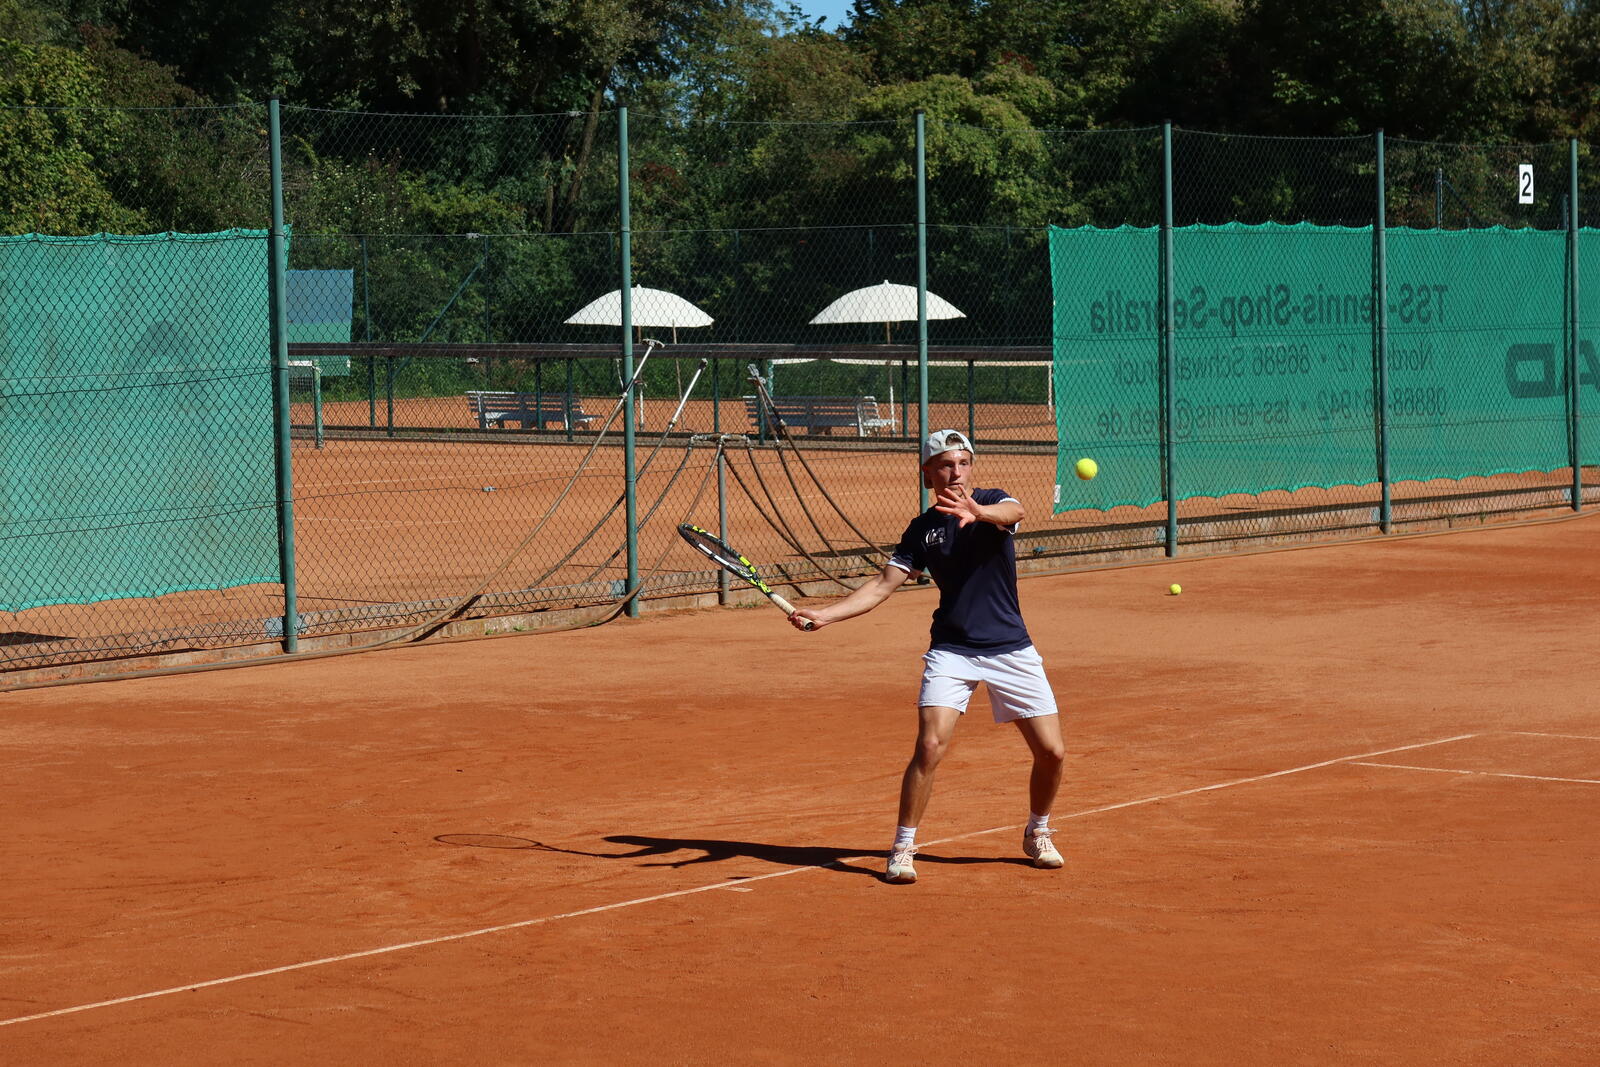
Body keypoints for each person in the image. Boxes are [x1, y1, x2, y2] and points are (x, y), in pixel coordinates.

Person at [790, 429, 1065, 885]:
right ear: (928, 473)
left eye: (963, 463)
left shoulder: (992, 502)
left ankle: (1037, 831)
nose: (956, 472)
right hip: (952, 650)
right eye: (945, 465)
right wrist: (826, 615)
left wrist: (978, 511)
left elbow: (1015, 512)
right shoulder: (922, 530)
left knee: (1052, 752)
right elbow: (882, 585)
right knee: (930, 746)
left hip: (1010, 647)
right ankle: (903, 846)